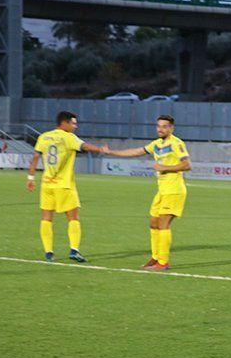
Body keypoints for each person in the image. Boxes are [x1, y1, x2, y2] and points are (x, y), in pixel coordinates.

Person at [104, 115, 190, 271]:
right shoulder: (156, 144)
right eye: (158, 126)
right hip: (162, 191)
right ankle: (155, 257)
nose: (160, 129)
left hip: (174, 190)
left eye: (164, 126)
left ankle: (163, 263)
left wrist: (165, 168)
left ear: (171, 128)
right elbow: (136, 151)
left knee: (163, 224)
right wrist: (111, 152)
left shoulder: (176, 143)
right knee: (153, 223)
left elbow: (186, 164)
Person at [26, 111, 107, 263]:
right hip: (64, 186)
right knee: (73, 218)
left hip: (47, 185)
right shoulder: (68, 137)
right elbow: (84, 146)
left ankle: (49, 253)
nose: (75, 126)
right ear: (64, 123)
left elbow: (36, 156)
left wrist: (30, 177)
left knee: (46, 219)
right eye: (73, 123)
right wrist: (101, 149)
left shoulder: (44, 136)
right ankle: (74, 250)